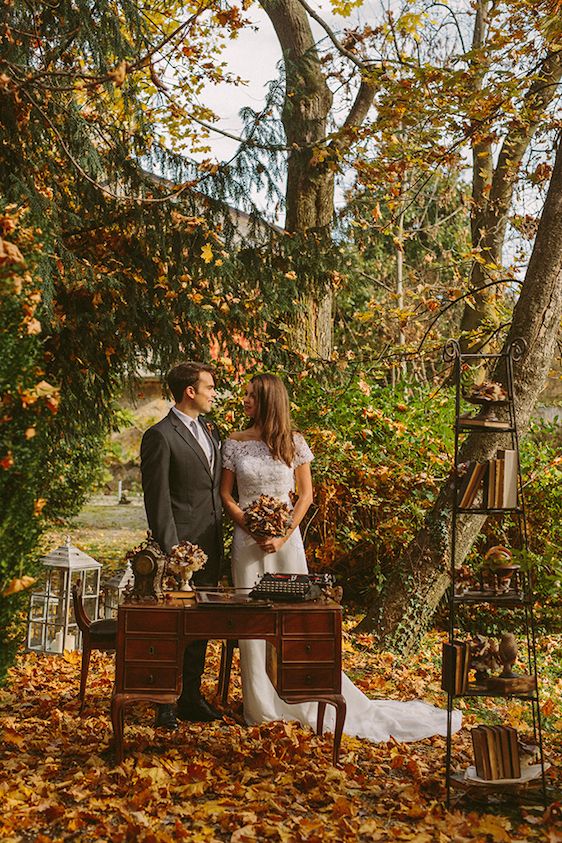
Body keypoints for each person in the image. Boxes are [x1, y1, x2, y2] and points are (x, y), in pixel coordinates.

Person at [220, 373, 462, 743]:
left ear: (270, 401)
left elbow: (305, 496)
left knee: (293, 619)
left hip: (287, 543)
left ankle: (300, 693)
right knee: (252, 622)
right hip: (247, 541)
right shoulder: (234, 443)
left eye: (252, 396)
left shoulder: (295, 444)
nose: (245, 402)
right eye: (246, 396)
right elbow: (226, 496)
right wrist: (252, 529)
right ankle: (261, 705)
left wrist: (283, 534)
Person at [141, 361, 223, 730]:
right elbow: (157, 501)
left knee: (200, 624)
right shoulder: (160, 435)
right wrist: (173, 552)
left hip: (212, 545)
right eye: (208, 387)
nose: (213, 393)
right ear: (190, 391)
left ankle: (190, 697)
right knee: (173, 627)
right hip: (180, 551)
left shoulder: (211, 430)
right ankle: (165, 704)